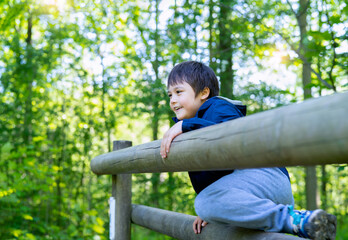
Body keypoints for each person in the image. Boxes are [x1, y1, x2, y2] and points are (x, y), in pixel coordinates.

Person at [160, 61, 336, 239]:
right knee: (207, 205)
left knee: (204, 202)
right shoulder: (192, 127)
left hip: (266, 176)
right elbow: (214, 177)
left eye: (178, 92)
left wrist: (187, 125)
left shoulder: (218, 107)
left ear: (204, 93)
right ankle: (299, 223)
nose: (172, 100)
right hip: (249, 189)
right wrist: (212, 211)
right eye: (169, 95)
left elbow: (227, 134)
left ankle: (292, 219)